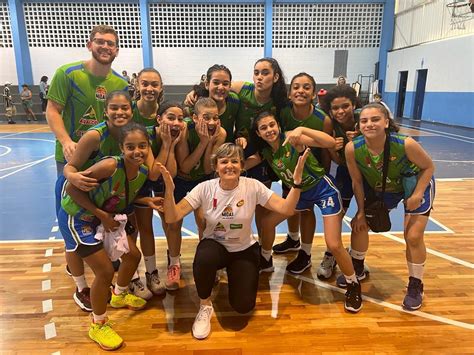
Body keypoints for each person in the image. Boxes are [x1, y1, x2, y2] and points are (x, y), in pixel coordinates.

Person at [158, 143, 309, 339]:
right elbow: (172, 216)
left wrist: (296, 183)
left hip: (244, 249)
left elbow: (287, 209)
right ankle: (205, 306)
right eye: (224, 161)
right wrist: (169, 191)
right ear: (215, 166)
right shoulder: (204, 188)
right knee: (205, 257)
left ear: (242, 165)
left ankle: (233, 273)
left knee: (243, 307)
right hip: (215, 245)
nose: (230, 165)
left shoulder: (252, 186)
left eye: (234, 161)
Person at [246, 112, 363, 313]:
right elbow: (245, 164)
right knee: (267, 222)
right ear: (258, 133)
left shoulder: (292, 138)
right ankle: (265, 259)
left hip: (322, 188)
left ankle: (353, 284)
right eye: (263, 128)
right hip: (299, 194)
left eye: (272, 125)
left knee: (334, 244)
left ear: (278, 126)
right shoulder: (265, 152)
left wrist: (302, 129)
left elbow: (328, 142)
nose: (269, 130)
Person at [58, 122, 153, 350]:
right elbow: (71, 189)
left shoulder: (142, 172)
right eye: (130, 147)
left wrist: (147, 201)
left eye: (142, 146)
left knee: (132, 256)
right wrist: (101, 215)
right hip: (79, 217)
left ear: (149, 147)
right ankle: (98, 324)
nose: (137, 151)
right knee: (105, 271)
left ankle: (119, 295)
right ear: (121, 148)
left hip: (104, 216)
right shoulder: (109, 165)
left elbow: (121, 196)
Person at [345, 103, 435, 311]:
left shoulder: (405, 144)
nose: (369, 124)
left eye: (375, 119)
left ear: (386, 122)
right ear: (359, 125)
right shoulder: (353, 149)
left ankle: (415, 284)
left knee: (412, 236)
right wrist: (360, 211)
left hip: (414, 184)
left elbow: (428, 166)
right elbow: (357, 182)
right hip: (385, 189)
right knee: (359, 225)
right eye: (364, 121)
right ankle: (357, 265)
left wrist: (418, 193)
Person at [46, 24, 128, 176]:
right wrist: (66, 142)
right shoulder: (67, 74)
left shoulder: (122, 84)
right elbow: (52, 110)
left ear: (116, 51)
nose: (105, 46)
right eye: (100, 41)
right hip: (72, 153)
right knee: (69, 198)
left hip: (104, 156)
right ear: (89, 45)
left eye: (110, 43)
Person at [165, 97, 226, 290]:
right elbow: (184, 166)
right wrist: (203, 142)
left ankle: (208, 262)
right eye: (206, 117)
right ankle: (174, 264)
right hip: (181, 180)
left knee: (205, 222)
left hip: (203, 180)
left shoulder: (220, 133)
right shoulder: (184, 131)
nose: (211, 122)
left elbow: (209, 168)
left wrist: (209, 142)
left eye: (215, 117)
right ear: (194, 117)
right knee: (174, 224)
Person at [271, 73, 332, 265]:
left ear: (314, 94)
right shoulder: (283, 113)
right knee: (291, 206)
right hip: (290, 171)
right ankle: (292, 238)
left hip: (313, 173)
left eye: (306, 87)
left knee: (306, 210)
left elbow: (327, 150)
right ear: (289, 94)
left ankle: (305, 253)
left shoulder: (323, 119)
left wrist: (324, 174)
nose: (301, 91)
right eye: (296, 87)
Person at [131, 101, 185, 298]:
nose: (176, 122)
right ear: (159, 119)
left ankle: (174, 264)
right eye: (170, 117)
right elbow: (153, 174)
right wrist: (167, 145)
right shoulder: (147, 134)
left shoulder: (181, 133)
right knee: (144, 227)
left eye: (180, 118)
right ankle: (150, 272)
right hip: (144, 180)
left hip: (167, 179)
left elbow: (171, 171)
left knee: (171, 223)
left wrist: (171, 145)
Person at [315, 85, 363, 280]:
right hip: (344, 172)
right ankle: (330, 254)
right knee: (337, 214)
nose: (340, 111)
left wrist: (362, 140)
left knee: (364, 217)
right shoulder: (330, 124)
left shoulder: (364, 119)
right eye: (336, 108)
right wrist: (333, 148)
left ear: (354, 105)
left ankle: (358, 260)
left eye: (345, 106)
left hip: (369, 173)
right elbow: (336, 160)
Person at [190, 64, 240, 143]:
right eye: (216, 83)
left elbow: (240, 127)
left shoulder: (234, 101)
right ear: (207, 84)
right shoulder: (195, 102)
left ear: (230, 86)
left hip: (225, 151)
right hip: (199, 150)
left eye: (225, 84)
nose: (220, 87)